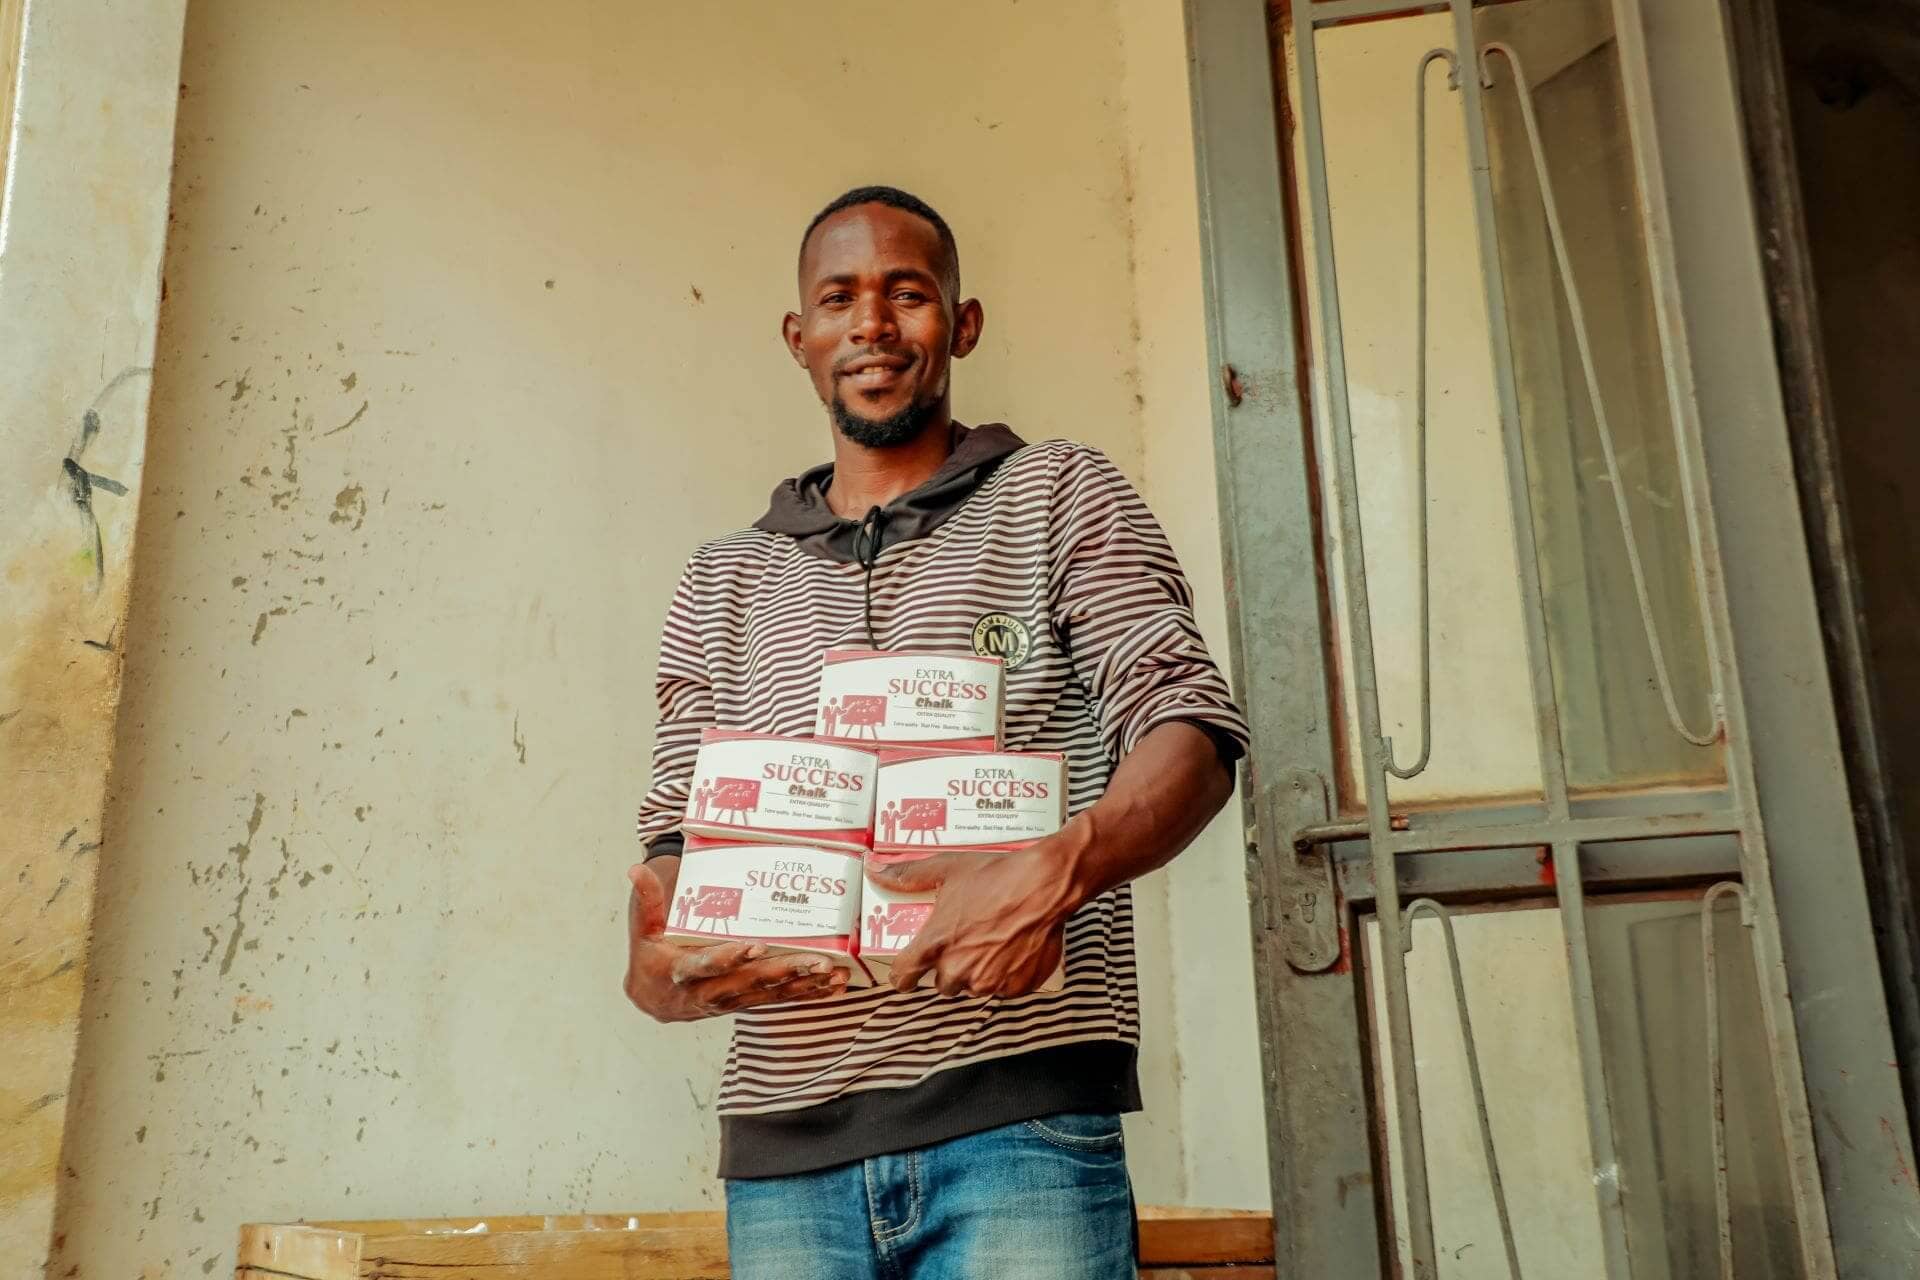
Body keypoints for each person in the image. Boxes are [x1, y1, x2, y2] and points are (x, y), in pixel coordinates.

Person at [622, 185, 1246, 1280]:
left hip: (1021, 1127)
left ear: (961, 323)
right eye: (840, 297)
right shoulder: (722, 577)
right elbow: (677, 841)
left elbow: (1187, 723)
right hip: (786, 1156)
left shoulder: (1058, 492)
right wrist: (660, 958)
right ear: (798, 336)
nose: (872, 323)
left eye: (906, 292)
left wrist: (1058, 865)